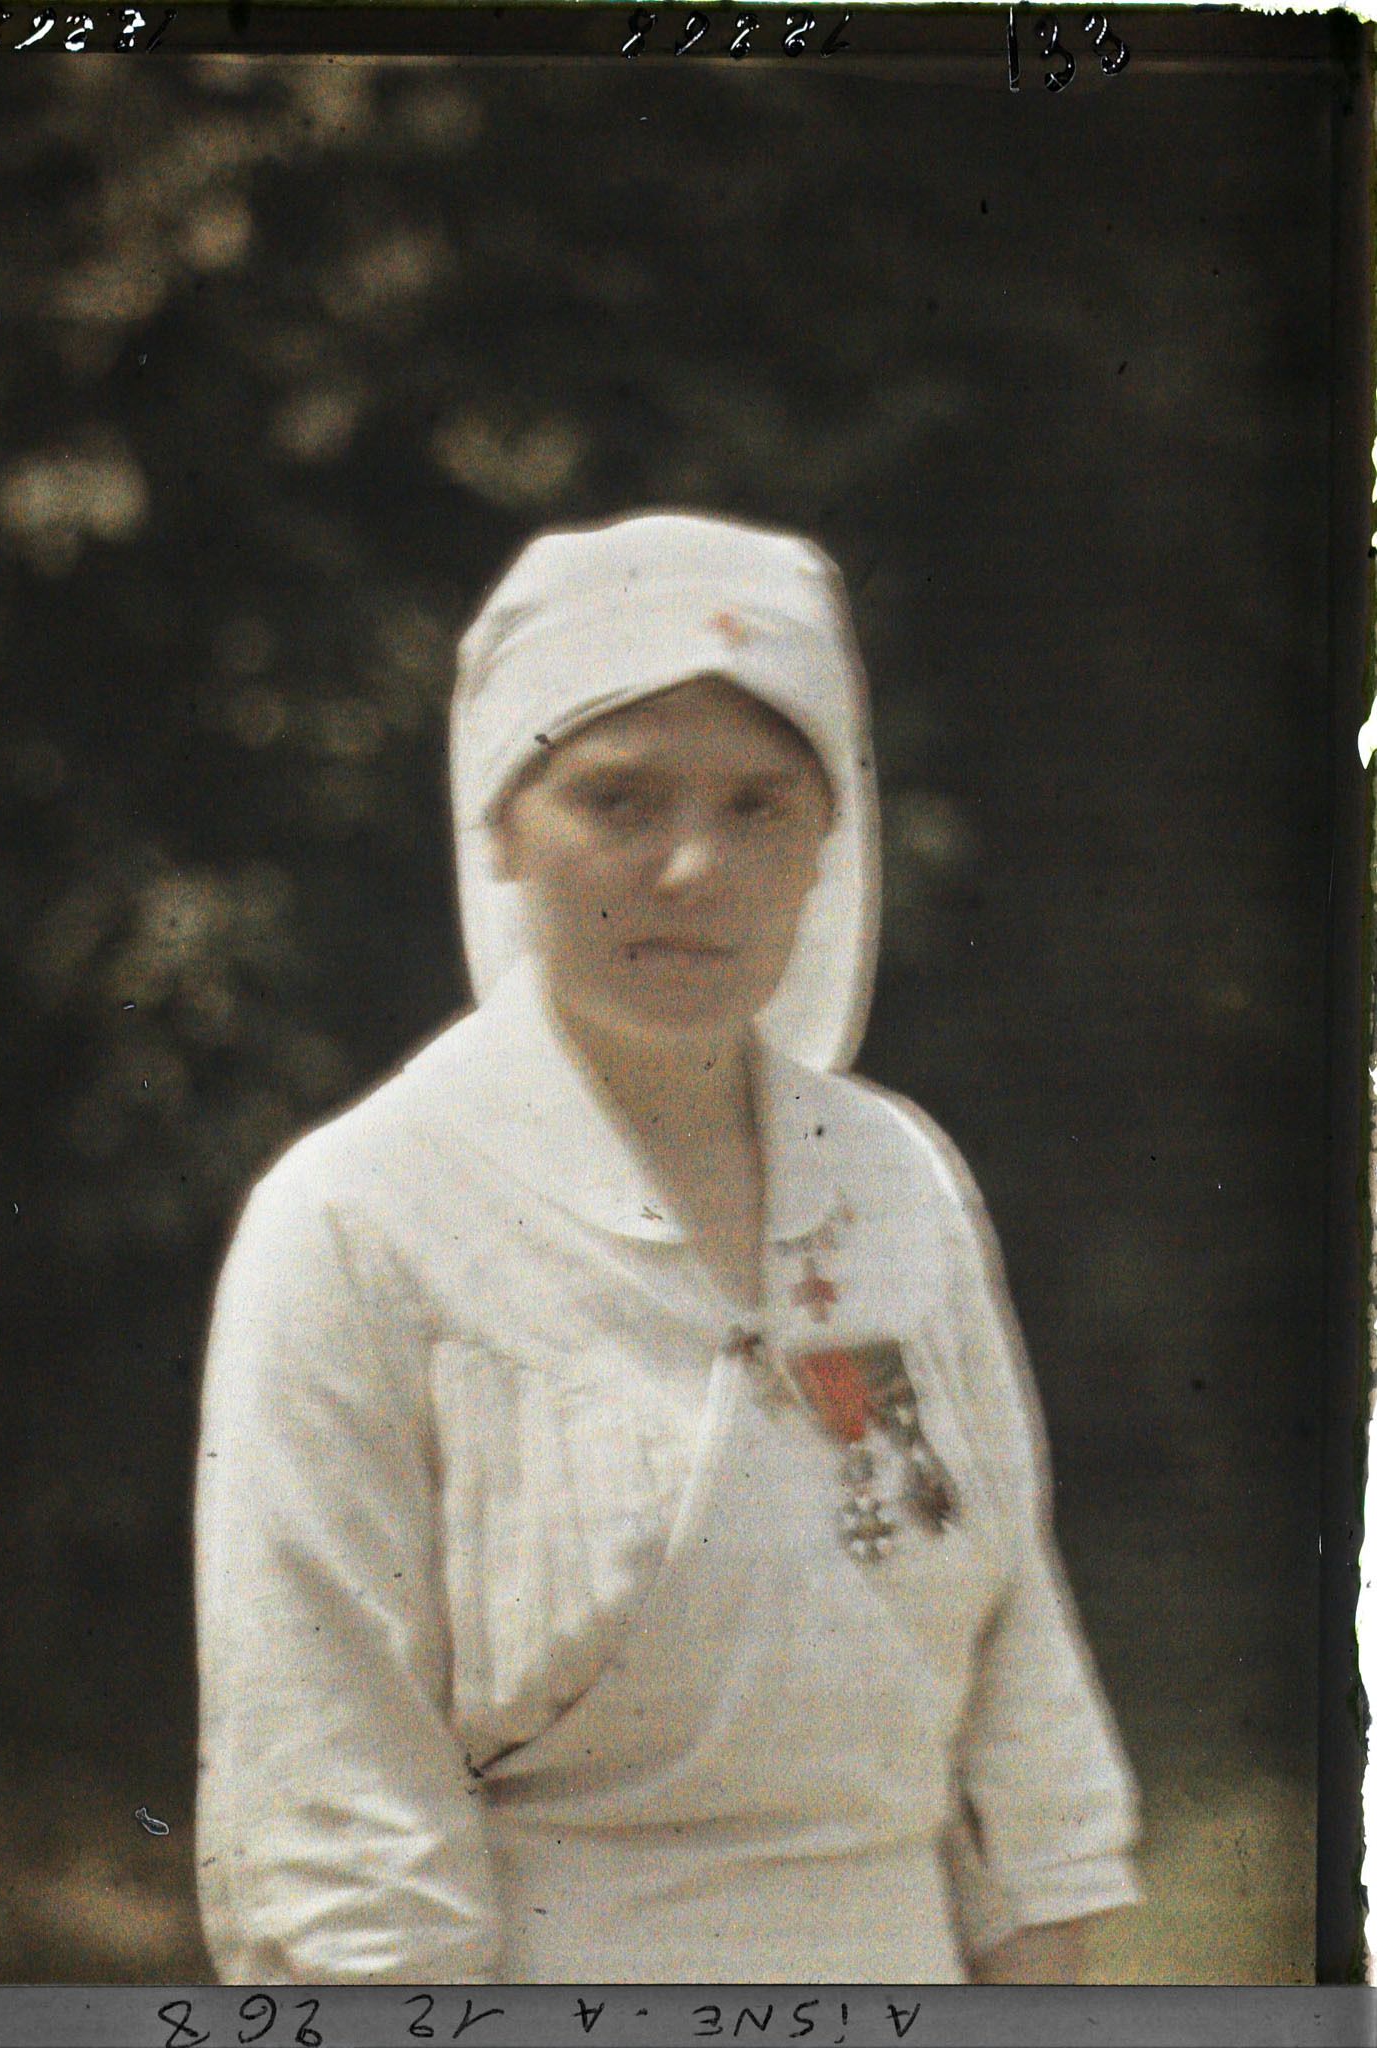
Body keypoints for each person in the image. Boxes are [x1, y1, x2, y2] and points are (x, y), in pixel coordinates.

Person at [193, 511, 1140, 1985]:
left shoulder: (898, 1183)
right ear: (504, 824)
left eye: (762, 804)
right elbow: (332, 1813)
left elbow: (1023, 1718)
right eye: (619, 801)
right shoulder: (359, 1223)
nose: (696, 867)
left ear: (834, 838)